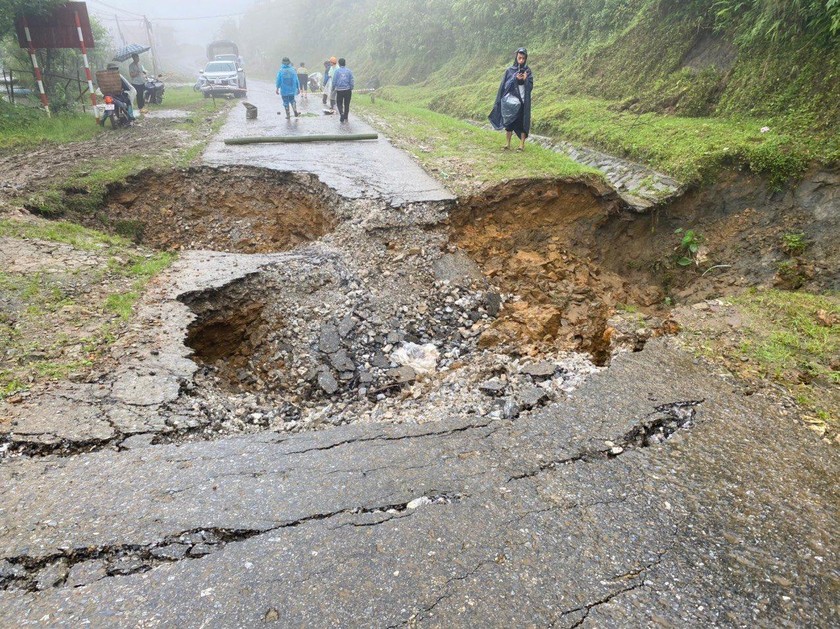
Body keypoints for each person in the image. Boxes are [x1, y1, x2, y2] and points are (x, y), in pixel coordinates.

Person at [489, 47, 533, 151]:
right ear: (516, 57)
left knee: (522, 122)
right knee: (509, 123)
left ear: (526, 59)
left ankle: (521, 145)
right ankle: (507, 144)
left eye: (523, 58)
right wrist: (515, 78)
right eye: (519, 58)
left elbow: (530, 86)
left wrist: (526, 79)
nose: (521, 60)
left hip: (523, 101)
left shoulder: (528, 71)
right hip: (511, 102)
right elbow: (505, 86)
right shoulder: (510, 71)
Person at [332, 58, 355, 122]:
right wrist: (351, 87)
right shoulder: (349, 71)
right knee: (347, 104)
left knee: (339, 103)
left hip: (339, 90)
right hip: (347, 90)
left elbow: (334, 80)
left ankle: (341, 113)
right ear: (345, 63)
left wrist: (333, 87)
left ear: (339, 64)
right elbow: (352, 80)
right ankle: (346, 116)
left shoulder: (337, 71)